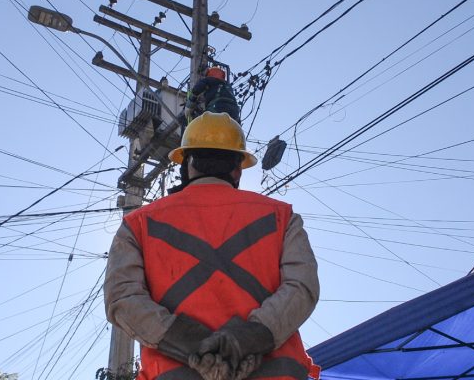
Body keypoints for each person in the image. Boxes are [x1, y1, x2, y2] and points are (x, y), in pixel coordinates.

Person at [104, 112, 320, 380]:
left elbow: (122, 298)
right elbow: (302, 287)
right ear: (237, 169)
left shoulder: (137, 224)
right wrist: (246, 340)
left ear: (188, 164)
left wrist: (196, 347)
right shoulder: (282, 217)